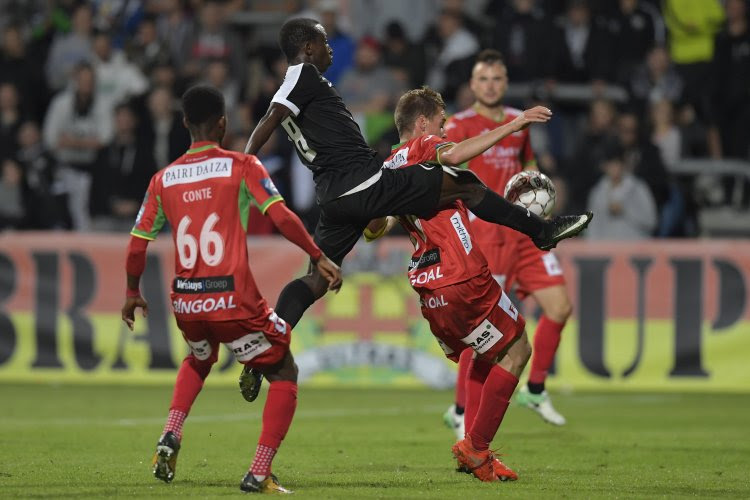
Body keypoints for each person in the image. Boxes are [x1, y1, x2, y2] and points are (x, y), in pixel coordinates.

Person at [239, 18, 592, 395]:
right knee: (465, 185)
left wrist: (375, 220)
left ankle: (265, 348)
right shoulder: (301, 75)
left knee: (317, 278)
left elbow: (289, 119)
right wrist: (241, 166)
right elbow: (270, 117)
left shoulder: (305, 86)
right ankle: (543, 232)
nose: (330, 50)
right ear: (308, 48)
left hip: (335, 198)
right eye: (325, 44)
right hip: (364, 181)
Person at [121, 85, 342, 494]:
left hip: (186, 299)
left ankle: (170, 433)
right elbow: (281, 216)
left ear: (185, 123)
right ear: (222, 123)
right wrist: (319, 255)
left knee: (199, 358)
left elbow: (137, 244)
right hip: (232, 297)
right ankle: (259, 472)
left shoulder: (162, 179)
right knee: (284, 371)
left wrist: (133, 291)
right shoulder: (242, 165)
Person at [365, 87, 551, 482]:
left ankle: (475, 447)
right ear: (422, 124)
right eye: (441, 123)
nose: (445, 130)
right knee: (517, 349)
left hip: (429, 288)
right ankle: (475, 448)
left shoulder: (387, 171)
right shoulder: (424, 146)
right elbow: (452, 154)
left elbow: (375, 229)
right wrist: (515, 123)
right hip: (461, 273)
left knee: (487, 354)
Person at [444, 49, 574, 430]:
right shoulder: (460, 124)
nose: (490, 85)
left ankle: (534, 389)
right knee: (482, 330)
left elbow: (527, 164)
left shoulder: (521, 123)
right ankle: (461, 410)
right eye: (483, 79)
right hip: (486, 236)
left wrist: (540, 193)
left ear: (505, 82)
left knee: (560, 306)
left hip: (525, 234)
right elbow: (447, 164)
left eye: (497, 78)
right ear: (472, 85)